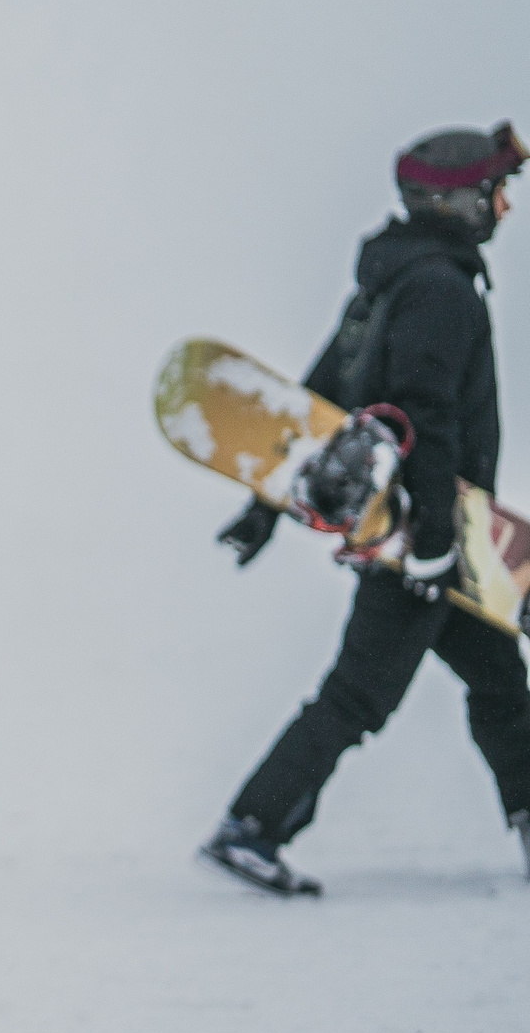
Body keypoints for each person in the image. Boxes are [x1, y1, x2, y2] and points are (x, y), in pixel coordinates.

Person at [202, 122, 530, 896]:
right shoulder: (440, 292)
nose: (503, 209)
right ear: (452, 202)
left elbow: (317, 396)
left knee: (502, 690)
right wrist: (436, 542)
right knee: (358, 695)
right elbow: (427, 416)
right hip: (425, 536)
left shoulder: (390, 281)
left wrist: (263, 507)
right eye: (494, 194)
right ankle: (252, 825)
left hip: (431, 537)